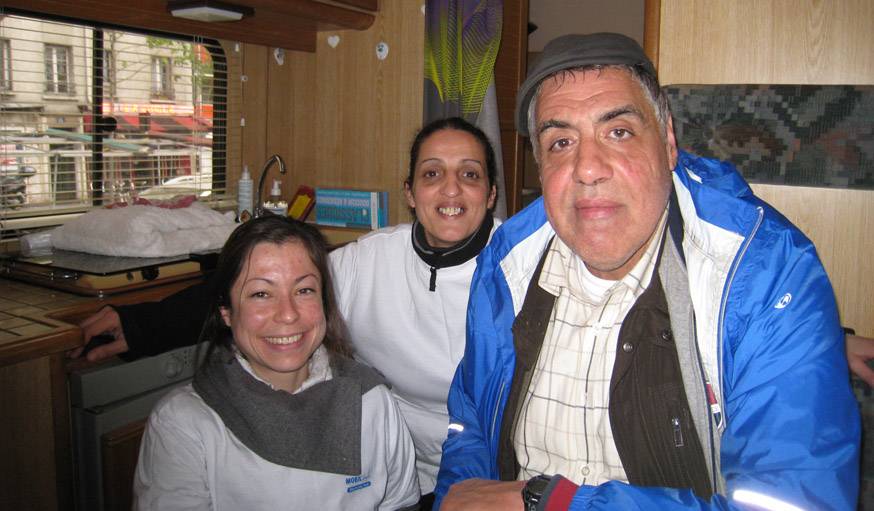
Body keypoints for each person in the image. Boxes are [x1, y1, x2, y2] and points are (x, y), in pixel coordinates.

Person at [433, 33, 860, 510]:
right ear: (539, 163)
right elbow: (469, 418)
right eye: (561, 142)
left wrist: (554, 504)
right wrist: (459, 494)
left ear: (669, 142)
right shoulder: (506, 264)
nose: (587, 168)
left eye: (618, 132)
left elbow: (797, 502)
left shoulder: (764, 274)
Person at [73, 116, 500, 508]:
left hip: (497, 470)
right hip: (403, 469)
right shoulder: (371, 263)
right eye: (432, 173)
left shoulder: (524, 267)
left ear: (491, 193)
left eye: (469, 174)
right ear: (410, 192)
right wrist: (141, 323)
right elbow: (266, 284)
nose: (450, 189)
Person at [133, 215, 420, 510]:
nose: (287, 314)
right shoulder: (184, 424)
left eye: (304, 290)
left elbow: (399, 504)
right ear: (227, 312)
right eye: (261, 294)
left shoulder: (371, 400)